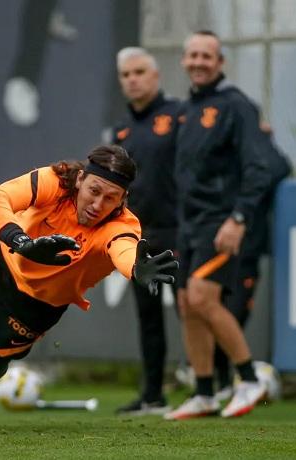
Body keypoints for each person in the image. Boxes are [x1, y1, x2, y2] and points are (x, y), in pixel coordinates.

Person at [0, 144, 178, 428]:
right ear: (81, 180)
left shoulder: (120, 224)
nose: (98, 205)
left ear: (123, 199)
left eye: (111, 198)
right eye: (94, 191)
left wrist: (135, 267)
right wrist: (21, 243)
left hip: (34, 304)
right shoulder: (56, 180)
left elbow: (123, 248)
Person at [164, 30, 272, 420]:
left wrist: (239, 217)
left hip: (220, 221)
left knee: (203, 297)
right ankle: (206, 392)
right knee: (186, 303)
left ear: (220, 62)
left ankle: (248, 379)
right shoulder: (187, 110)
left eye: (206, 56)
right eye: (192, 55)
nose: (198, 62)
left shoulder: (236, 106)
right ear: (183, 60)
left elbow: (259, 167)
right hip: (188, 224)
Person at [110, 47, 181, 416]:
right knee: (148, 315)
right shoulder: (120, 130)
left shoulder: (179, 116)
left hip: (180, 229)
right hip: (140, 236)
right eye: (126, 75)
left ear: (155, 76)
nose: (133, 79)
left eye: (139, 72)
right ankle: (153, 394)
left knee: (194, 309)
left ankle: (216, 386)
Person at [213, 122, 291, 400]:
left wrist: (262, 140)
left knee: (232, 315)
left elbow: (278, 168)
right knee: (207, 312)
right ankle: (220, 381)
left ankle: (232, 380)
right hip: (214, 250)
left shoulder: (259, 160)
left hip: (246, 252)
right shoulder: (224, 156)